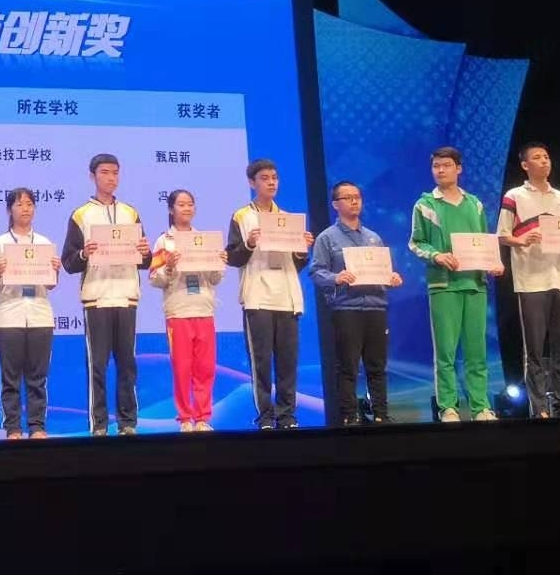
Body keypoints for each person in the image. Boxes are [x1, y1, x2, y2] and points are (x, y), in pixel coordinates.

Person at [408, 146, 505, 422]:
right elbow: (416, 243)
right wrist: (437, 255)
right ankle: (448, 407)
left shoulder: (475, 203)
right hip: (443, 286)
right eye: (436, 166)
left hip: (474, 284)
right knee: (446, 352)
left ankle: (480, 407)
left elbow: (483, 241)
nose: (440, 170)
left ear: (458, 168)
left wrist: (494, 263)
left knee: (477, 352)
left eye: (446, 165)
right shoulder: (425, 205)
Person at [61, 153, 152, 436]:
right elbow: (68, 262)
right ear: (92, 176)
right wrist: (84, 253)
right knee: (97, 365)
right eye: (104, 172)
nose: (111, 178)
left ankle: (128, 422)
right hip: (97, 298)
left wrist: (145, 252)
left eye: (115, 172)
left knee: (128, 364)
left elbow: (145, 261)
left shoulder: (130, 213)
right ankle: (98, 424)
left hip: (126, 296)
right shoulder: (81, 215)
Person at [226, 158, 314, 430]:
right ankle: (265, 416)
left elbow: (297, 264)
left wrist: (302, 250)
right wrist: (250, 243)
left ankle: (287, 416)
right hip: (258, 297)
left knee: (288, 361)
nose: (271, 182)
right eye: (265, 178)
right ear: (252, 183)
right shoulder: (242, 216)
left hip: (286, 297)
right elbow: (233, 258)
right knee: (261, 361)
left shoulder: (288, 219)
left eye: (274, 177)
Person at [497, 142, 560, 419]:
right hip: (531, 278)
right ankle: (540, 407)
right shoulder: (514, 196)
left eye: (546, 157)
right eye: (537, 157)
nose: (544, 161)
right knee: (534, 347)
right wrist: (522, 240)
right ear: (525, 165)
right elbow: (502, 235)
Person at [310, 181, 404, 425]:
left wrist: (392, 278)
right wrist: (336, 277)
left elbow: (384, 271)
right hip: (346, 308)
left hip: (375, 307)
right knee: (348, 366)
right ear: (335, 204)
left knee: (377, 366)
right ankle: (349, 415)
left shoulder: (373, 237)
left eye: (357, 197)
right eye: (347, 197)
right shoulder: (327, 238)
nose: (354, 201)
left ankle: (381, 413)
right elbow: (316, 272)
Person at [0, 187, 62, 439]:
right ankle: (13, 427)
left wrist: (55, 270)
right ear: (10, 210)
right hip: (9, 315)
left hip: (39, 314)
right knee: (11, 377)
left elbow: (50, 285)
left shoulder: (44, 243)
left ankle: (37, 426)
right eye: (19, 204)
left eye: (29, 204)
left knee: (37, 377)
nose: (25, 209)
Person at [149, 189, 227, 432]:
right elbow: (154, 278)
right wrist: (169, 267)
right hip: (178, 310)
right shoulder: (164, 241)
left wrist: (219, 262)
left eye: (190, 204)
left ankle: (203, 418)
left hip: (204, 309)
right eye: (181, 204)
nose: (187, 208)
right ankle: (184, 418)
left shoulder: (204, 240)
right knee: (182, 368)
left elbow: (215, 279)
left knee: (205, 368)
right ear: (171, 209)